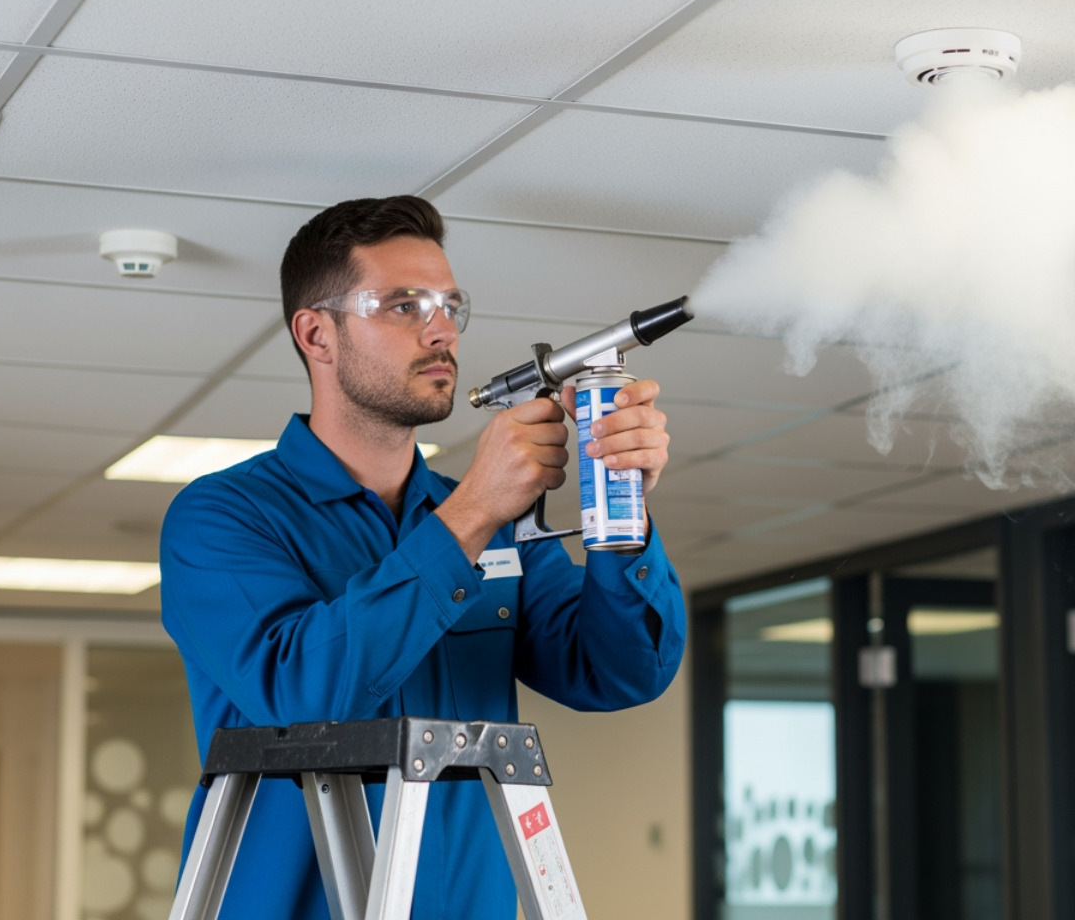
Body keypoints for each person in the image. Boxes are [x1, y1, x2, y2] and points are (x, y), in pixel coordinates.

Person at [160, 195, 684, 919]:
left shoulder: (493, 523)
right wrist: (469, 513)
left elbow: (618, 672)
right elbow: (307, 696)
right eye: (403, 306)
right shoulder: (223, 517)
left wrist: (619, 508)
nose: (441, 329)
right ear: (317, 334)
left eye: (449, 305)